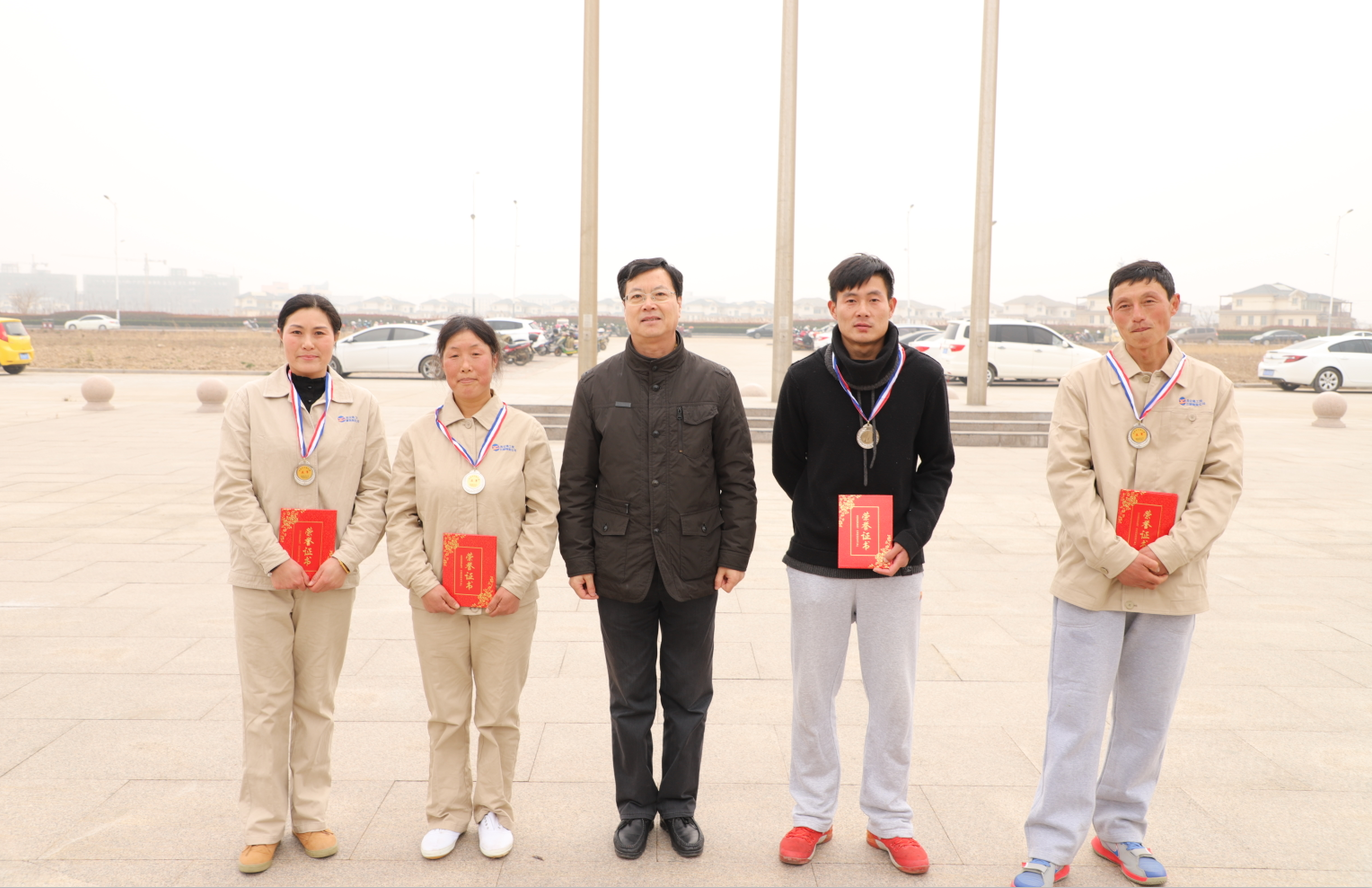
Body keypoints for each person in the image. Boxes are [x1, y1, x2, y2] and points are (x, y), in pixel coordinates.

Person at [1010, 261, 1243, 888]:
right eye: (1124, 305)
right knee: (1075, 716)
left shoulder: (1211, 386)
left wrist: (1169, 553)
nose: (1137, 315)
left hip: (1172, 579)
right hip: (1092, 577)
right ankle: (1051, 844)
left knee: (1146, 717)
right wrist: (1117, 555)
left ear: (1174, 304)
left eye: (1149, 301)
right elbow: (1067, 476)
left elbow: (1222, 482)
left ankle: (1121, 831)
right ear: (1111, 313)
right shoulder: (1084, 383)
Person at [557, 257, 757, 860]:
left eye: (660, 294)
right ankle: (635, 810)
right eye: (637, 295)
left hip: (695, 562)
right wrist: (578, 557)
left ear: (678, 304)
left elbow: (738, 478)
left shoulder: (715, 383)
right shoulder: (596, 385)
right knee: (630, 700)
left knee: (690, 697)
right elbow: (576, 482)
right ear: (623, 307)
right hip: (619, 566)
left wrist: (735, 551)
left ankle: (680, 807)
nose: (649, 304)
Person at [771, 254, 954, 875]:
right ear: (832, 309)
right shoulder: (805, 377)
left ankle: (889, 820)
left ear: (891, 306)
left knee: (893, 696)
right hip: (817, 564)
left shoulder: (923, 376)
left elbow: (938, 466)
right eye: (849, 300)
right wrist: (825, 518)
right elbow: (787, 463)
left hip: (893, 565)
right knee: (812, 694)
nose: (862, 310)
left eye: (873, 298)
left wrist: (909, 537)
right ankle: (812, 814)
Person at [213, 294, 391, 874]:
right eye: (297, 331)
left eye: (319, 332)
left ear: (337, 336)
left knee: (316, 700)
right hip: (261, 578)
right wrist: (273, 559)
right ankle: (262, 826)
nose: (308, 342)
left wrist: (345, 559)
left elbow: (376, 492)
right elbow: (231, 491)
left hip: (330, 579)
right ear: (280, 336)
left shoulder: (361, 405)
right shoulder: (248, 401)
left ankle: (311, 817)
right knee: (266, 704)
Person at [386, 316, 558, 861]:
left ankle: (493, 811)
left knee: (499, 713)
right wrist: (422, 582)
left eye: (476, 353)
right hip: (436, 602)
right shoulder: (419, 435)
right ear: (441, 362)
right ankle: (446, 813)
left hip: (507, 602)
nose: (465, 365)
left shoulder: (524, 431)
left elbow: (543, 515)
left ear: (495, 360)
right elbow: (400, 517)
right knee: (446, 713)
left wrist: (517, 582)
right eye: (454, 354)